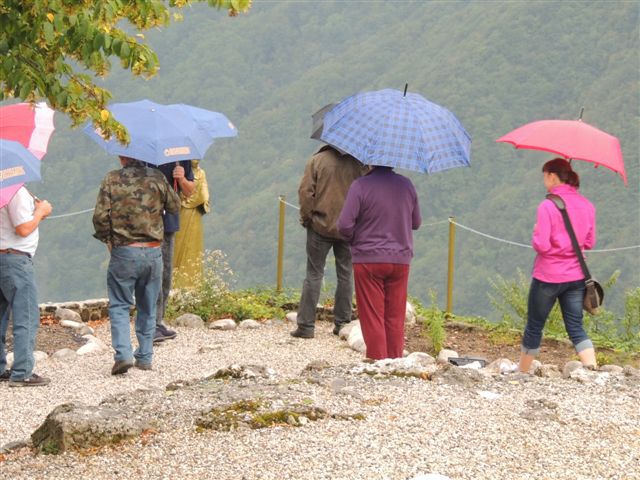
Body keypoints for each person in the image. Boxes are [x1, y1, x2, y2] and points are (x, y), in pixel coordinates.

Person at [93, 156, 180, 375]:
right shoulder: (158, 177)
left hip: (124, 251)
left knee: (120, 305)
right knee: (148, 306)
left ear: (123, 156)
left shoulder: (112, 179)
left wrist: (108, 239)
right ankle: (145, 356)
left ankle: (123, 355)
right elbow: (175, 206)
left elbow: (100, 216)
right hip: (153, 250)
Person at [518, 158, 597, 372]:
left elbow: (542, 245)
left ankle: (522, 373)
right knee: (576, 327)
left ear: (552, 176)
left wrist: (536, 232)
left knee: (535, 326)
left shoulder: (548, 205)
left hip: (548, 276)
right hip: (576, 277)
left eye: (544, 176)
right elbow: (589, 242)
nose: (544, 180)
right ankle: (592, 371)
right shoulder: (587, 205)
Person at [337, 166, 421, 360]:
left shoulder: (360, 186)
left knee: (373, 316)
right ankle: (395, 362)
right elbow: (416, 222)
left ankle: (378, 363)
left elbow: (344, 224)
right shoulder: (406, 185)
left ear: (369, 162)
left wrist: (354, 239)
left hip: (368, 259)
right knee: (395, 315)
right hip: (400, 259)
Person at [290, 145, 367, 339]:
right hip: (349, 228)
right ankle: (342, 323)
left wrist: (307, 218)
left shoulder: (317, 160)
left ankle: (306, 326)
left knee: (314, 274)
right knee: (346, 274)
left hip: (319, 225)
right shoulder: (359, 163)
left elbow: (306, 192)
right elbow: (365, 194)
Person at [0, 187, 52, 386]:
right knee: (26, 317)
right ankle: (22, 372)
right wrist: (40, 212)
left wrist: (36, 213)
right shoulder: (16, 192)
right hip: (16, 260)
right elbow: (22, 229)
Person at [147, 160, 195, 342]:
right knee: (153, 274)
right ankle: (150, 324)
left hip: (168, 224)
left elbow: (190, 191)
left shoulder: (181, 157)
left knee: (165, 274)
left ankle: (158, 322)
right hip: (147, 223)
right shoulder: (144, 157)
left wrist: (181, 178)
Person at [173, 160, 210, 289]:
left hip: (195, 216)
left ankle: (192, 284)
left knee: (193, 248)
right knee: (177, 247)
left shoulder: (201, 173)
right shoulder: (178, 170)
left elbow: (204, 197)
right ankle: (175, 283)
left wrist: (193, 200)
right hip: (180, 213)